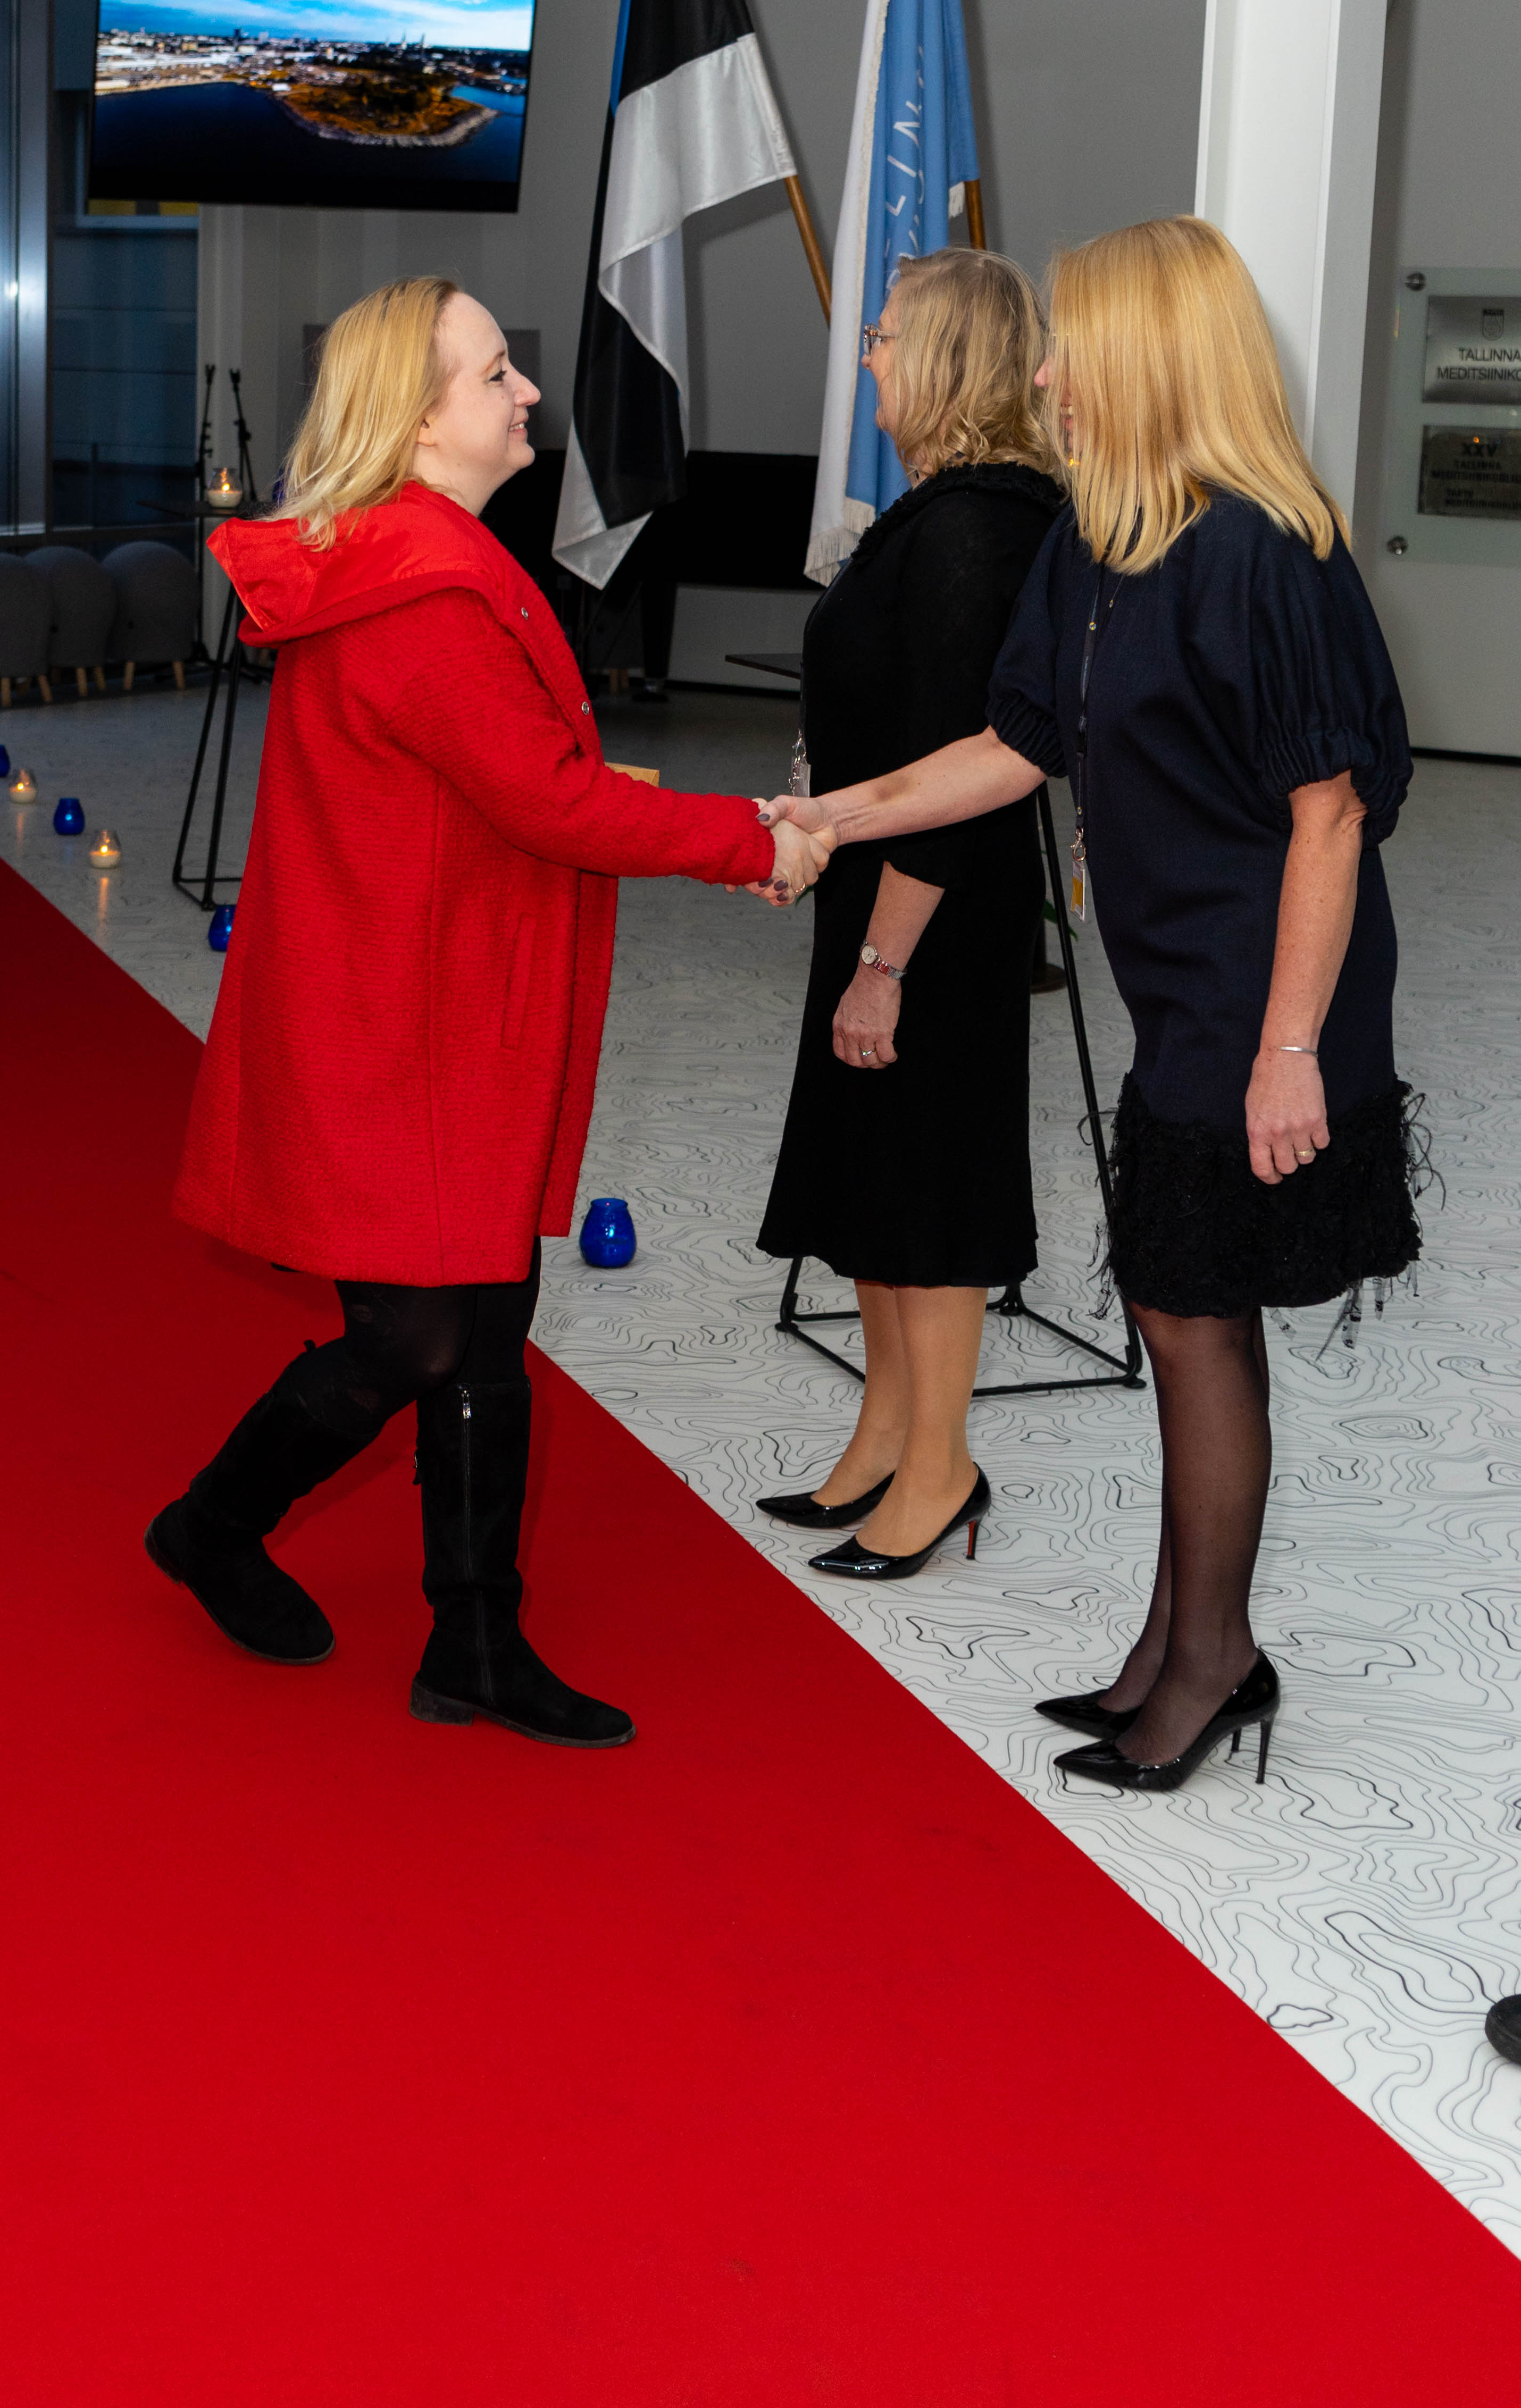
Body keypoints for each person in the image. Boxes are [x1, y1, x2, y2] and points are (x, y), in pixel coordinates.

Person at [762, 216, 1418, 1792]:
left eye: (1073, 341)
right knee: (1182, 1307)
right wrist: (835, 816)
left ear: (1148, 353)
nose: (1049, 368)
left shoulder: (1266, 543)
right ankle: (1180, 1644)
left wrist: (1287, 1048)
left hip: (1263, 983)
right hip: (1183, 978)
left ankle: (1208, 1662)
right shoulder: (1102, 538)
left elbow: (1332, 814)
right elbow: (1011, 746)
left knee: (1192, 1311)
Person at [153, 274, 825, 1748]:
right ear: (414, 417)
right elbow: (551, 800)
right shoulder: (424, 591)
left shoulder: (415, 556)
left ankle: (472, 1638)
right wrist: (750, 840)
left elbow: (519, 782)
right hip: (397, 1020)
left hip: (427, 1000)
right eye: (494, 373)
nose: (527, 392)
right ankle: (212, 1525)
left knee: (483, 1326)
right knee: (416, 1340)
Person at [753, 249, 1065, 1575]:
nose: (867, 353)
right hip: (883, 891)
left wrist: (882, 959)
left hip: (932, 914)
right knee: (873, 1181)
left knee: (928, 1193)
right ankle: (884, 1435)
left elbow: (959, 766)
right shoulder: (939, 510)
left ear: (942, 355)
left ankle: (940, 1466)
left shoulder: (976, 528)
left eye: (883, 333)